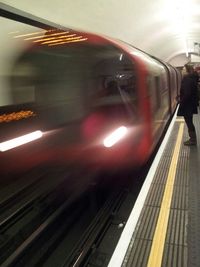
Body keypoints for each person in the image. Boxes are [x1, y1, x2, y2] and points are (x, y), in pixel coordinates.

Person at [177, 64, 199, 145]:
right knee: (190, 121)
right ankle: (193, 139)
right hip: (190, 104)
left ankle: (192, 140)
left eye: (183, 69)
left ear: (187, 70)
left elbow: (187, 93)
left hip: (187, 105)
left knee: (189, 122)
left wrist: (181, 101)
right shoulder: (192, 79)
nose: (182, 70)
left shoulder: (187, 79)